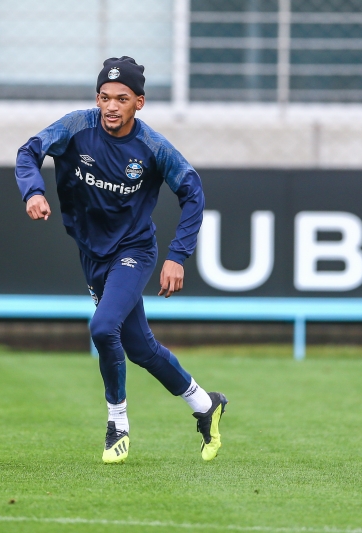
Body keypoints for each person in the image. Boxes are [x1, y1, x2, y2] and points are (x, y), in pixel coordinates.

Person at [15, 56, 227, 464]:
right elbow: (29, 151)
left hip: (134, 250)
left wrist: (177, 256)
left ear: (139, 103)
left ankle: (117, 424)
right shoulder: (76, 127)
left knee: (103, 326)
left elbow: (193, 191)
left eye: (121, 98)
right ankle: (206, 405)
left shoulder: (152, 147)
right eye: (104, 97)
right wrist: (33, 191)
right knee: (140, 348)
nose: (111, 106)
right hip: (92, 254)